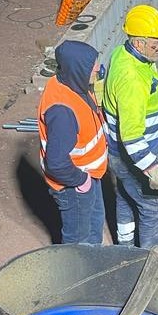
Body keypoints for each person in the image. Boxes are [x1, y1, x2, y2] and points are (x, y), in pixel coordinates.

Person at [102, 5, 158, 248]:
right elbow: (132, 135)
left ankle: (125, 248)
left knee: (126, 196)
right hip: (132, 157)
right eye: (157, 42)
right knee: (155, 208)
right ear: (138, 43)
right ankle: (153, 264)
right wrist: (151, 168)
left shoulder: (124, 54)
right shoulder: (132, 79)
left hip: (120, 155)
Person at [37, 41, 108, 244]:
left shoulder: (72, 82)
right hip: (75, 184)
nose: (97, 68)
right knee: (77, 241)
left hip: (90, 174)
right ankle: (78, 274)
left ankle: (94, 267)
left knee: (93, 229)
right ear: (77, 69)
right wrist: (82, 181)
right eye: (92, 66)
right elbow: (56, 163)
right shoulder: (62, 112)